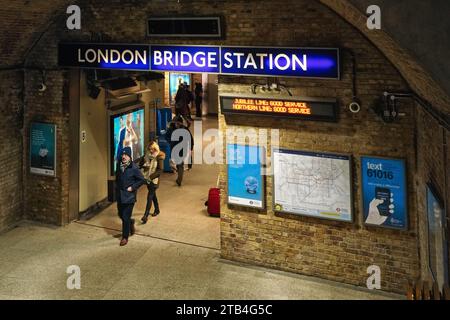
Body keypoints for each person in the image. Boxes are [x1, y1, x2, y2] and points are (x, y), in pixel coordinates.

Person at [115, 147, 146, 246]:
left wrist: (132, 188)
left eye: (126, 155)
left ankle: (125, 237)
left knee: (125, 217)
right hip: (120, 195)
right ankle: (131, 222)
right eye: (123, 155)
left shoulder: (134, 168)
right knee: (120, 214)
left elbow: (142, 180)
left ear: (130, 157)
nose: (123, 157)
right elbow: (117, 178)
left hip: (129, 197)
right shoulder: (119, 165)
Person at [139, 141, 165, 224]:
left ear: (155, 148)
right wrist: (143, 166)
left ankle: (145, 216)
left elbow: (160, 170)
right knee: (153, 195)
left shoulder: (159, 156)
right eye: (149, 149)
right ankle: (157, 210)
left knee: (149, 196)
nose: (151, 151)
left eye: (152, 149)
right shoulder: (147, 155)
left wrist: (151, 177)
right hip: (147, 179)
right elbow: (141, 162)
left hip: (154, 180)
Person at [167, 117, 194, 186]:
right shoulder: (171, 129)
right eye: (176, 123)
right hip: (173, 149)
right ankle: (178, 174)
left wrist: (191, 148)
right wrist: (170, 141)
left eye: (178, 123)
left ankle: (179, 179)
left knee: (180, 164)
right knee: (177, 163)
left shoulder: (184, 129)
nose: (177, 124)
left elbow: (190, 139)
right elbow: (166, 136)